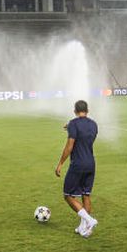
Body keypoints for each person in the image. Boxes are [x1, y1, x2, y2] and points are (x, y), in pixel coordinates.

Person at [55, 100, 100, 237]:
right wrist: (70, 127)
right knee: (86, 194)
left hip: (78, 164)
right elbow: (85, 133)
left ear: (75, 111)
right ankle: (84, 228)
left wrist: (60, 163)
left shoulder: (74, 124)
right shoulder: (93, 124)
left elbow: (70, 146)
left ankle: (90, 220)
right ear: (88, 110)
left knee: (68, 195)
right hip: (91, 163)